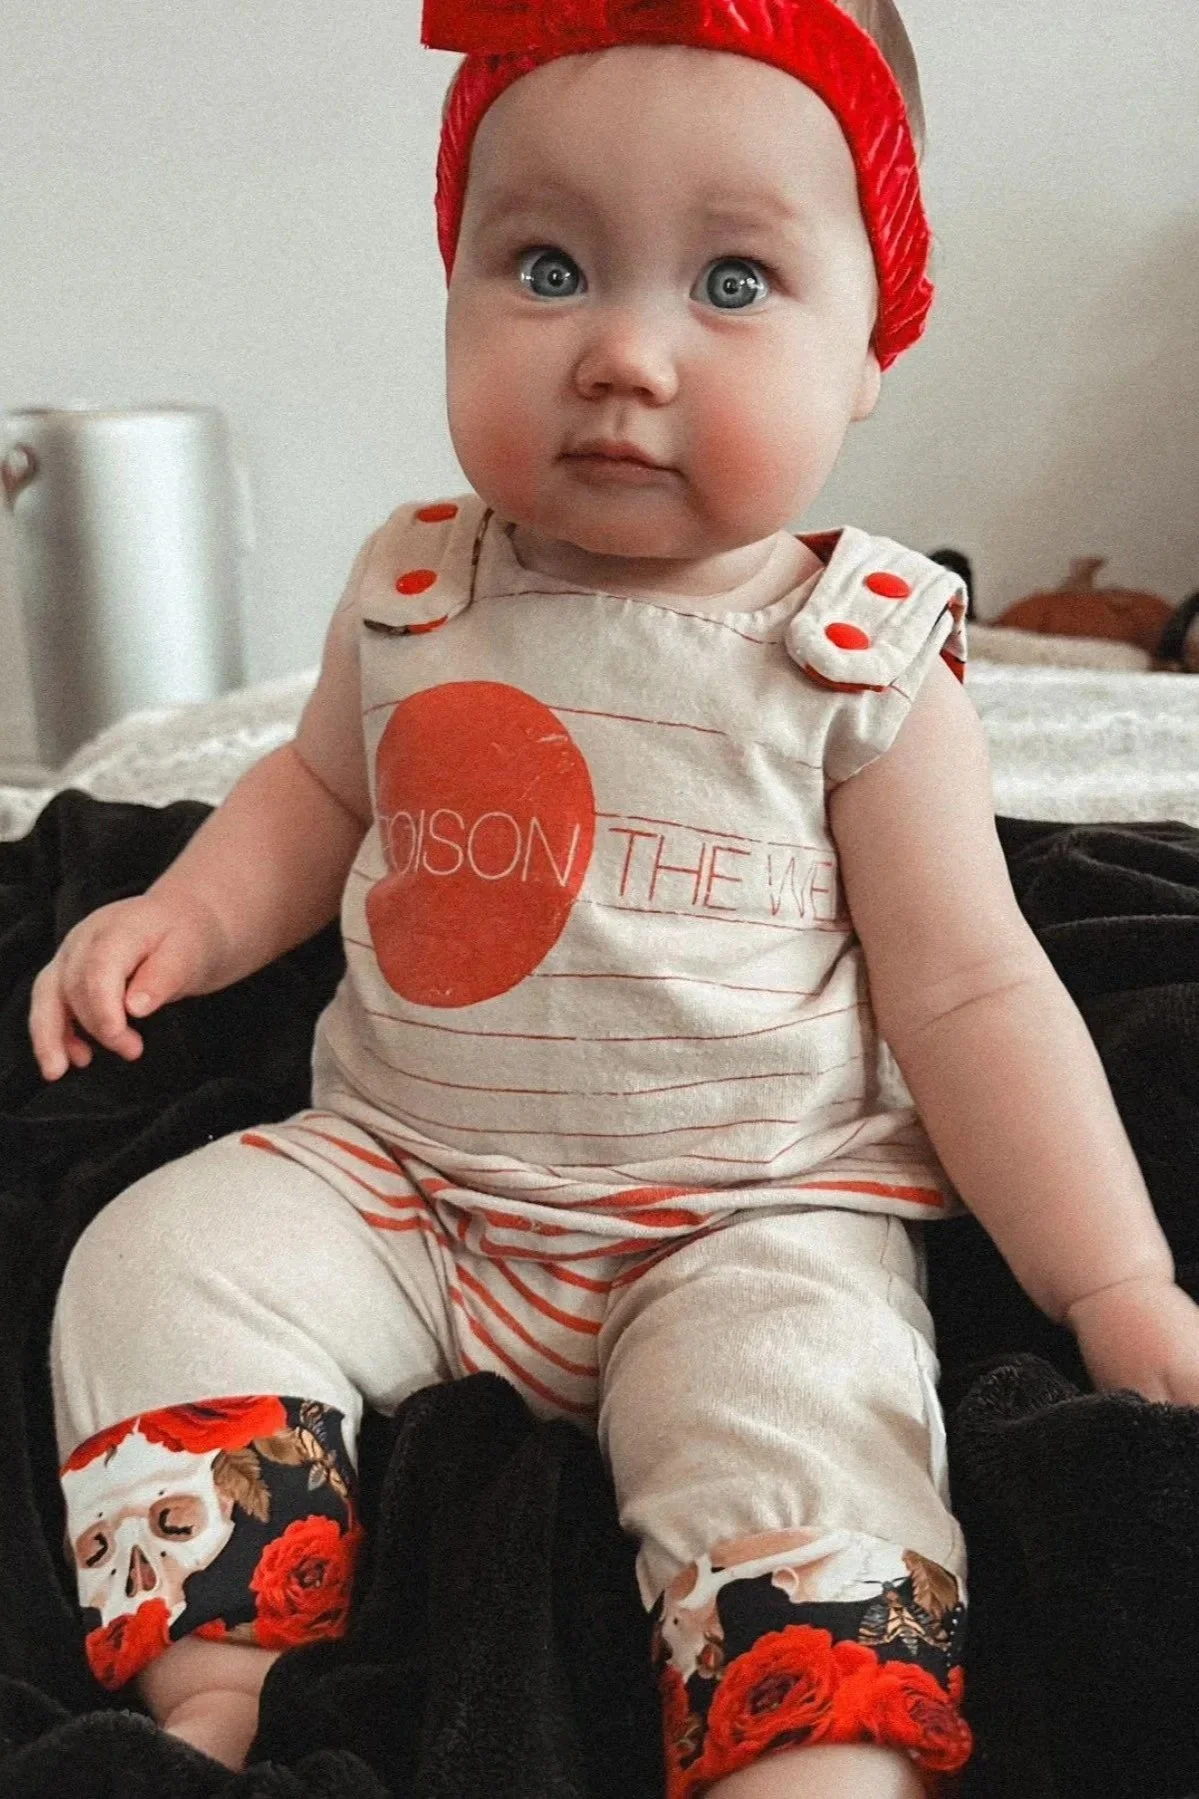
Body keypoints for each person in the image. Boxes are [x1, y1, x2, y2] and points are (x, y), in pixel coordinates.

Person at [31, 2, 1199, 1794]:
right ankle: (220, 1665)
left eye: (731, 285)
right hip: (407, 1185)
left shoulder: (858, 659)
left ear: (872, 336)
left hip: (743, 1216)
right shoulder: (416, 581)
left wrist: (1115, 1281)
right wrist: (184, 919)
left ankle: (807, 1739)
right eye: (550, 266)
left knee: (811, 1417)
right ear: (454, 280)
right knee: (157, 1256)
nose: (626, 356)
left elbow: (970, 988)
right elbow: (318, 792)